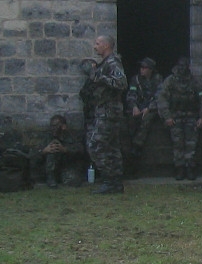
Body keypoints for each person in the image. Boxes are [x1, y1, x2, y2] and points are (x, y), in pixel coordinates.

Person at [83, 35, 128, 194]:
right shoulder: (105, 63)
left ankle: (110, 180)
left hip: (109, 112)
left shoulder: (113, 63)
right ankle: (115, 183)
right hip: (104, 110)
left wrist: (98, 76)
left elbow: (121, 83)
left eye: (97, 43)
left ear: (106, 45)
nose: (95, 47)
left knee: (95, 145)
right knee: (111, 148)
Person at [157, 56, 202, 180]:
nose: (182, 68)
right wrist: (167, 116)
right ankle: (179, 168)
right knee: (177, 144)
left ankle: (190, 167)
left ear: (188, 67)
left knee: (191, 144)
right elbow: (162, 99)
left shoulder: (194, 81)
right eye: (180, 65)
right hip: (175, 117)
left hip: (191, 116)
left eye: (184, 65)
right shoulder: (170, 81)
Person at [126, 57, 162, 167]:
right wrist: (134, 107)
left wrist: (149, 108)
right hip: (139, 107)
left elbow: (159, 96)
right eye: (141, 67)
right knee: (131, 121)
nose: (141, 69)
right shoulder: (135, 80)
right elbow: (131, 94)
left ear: (150, 69)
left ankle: (137, 146)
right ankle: (130, 145)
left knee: (146, 120)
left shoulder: (158, 79)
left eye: (144, 67)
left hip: (152, 108)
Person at [40, 114, 85, 188]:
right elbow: (34, 153)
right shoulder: (48, 137)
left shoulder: (72, 136)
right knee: (53, 150)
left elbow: (80, 150)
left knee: (73, 182)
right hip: (52, 169)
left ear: (63, 126)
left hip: (68, 166)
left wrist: (65, 149)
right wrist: (44, 150)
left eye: (55, 126)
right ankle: (51, 179)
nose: (53, 128)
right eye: (52, 126)